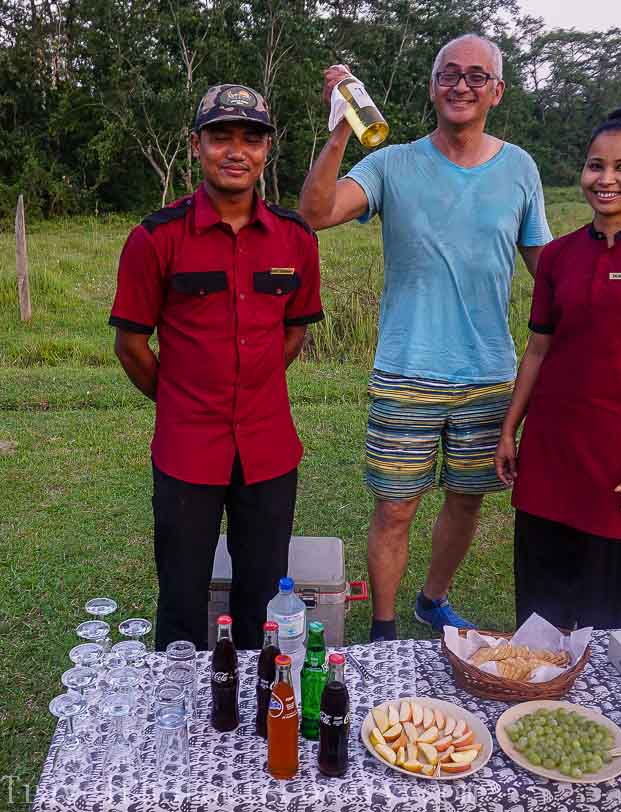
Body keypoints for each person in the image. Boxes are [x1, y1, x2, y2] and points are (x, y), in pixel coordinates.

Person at [299, 34, 552, 641]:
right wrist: (340, 128)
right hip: (407, 367)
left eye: (475, 76)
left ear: (497, 90)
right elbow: (314, 213)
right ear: (433, 84)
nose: (460, 85)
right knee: (395, 505)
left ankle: (432, 600)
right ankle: (384, 628)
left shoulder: (519, 168)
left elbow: (549, 268)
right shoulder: (392, 163)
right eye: (448, 74)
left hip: (490, 372)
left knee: (467, 499)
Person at [109, 84, 324, 651]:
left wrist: (248, 389)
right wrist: (183, 399)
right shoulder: (154, 238)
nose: (236, 151)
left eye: (250, 138)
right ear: (195, 145)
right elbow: (130, 345)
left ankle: (261, 720)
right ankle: (178, 719)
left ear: (267, 150)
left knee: (264, 604)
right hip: (186, 450)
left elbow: (294, 329)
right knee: (181, 600)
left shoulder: (296, 238)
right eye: (220, 136)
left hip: (269, 449)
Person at [495, 106, 621, 630]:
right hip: (550, 451)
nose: (605, 179)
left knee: (611, 619)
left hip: (620, 458)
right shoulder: (559, 256)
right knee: (540, 612)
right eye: (595, 166)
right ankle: (536, 699)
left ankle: (603, 709)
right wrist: (508, 429)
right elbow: (538, 349)